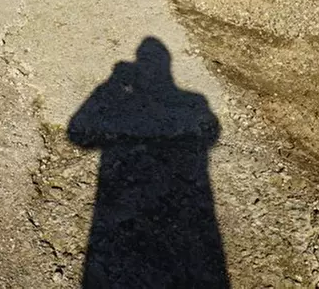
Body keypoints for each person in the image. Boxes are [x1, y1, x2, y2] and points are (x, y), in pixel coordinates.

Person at [68, 37, 228, 288]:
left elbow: (77, 133)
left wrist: (112, 88)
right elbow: (212, 132)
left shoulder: (193, 102)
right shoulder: (195, 102)